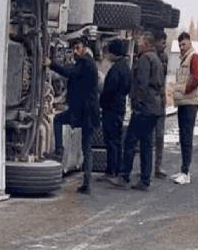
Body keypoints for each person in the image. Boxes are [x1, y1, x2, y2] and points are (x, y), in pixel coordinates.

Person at [108, 32, 164, 191]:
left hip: (144, 108)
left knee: (130, 141)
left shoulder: (145, 59)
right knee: (146, 144)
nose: (138, 44)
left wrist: (137, 105)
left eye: (140, 42)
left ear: (146, 44)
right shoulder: (157, 59)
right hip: (155, 107)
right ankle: (145, 180)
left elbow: (142, 84)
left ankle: (124, 176)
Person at [47, 37, 100, 194]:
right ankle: (87, 183)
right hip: (86, 112)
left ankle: (59, 151)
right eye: (74, 48)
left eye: (78, 48)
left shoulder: (86, 63)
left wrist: (51, 64)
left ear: (85, 48)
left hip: (84, 112)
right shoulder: (86, 63)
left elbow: (70, 72)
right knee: (87, 147)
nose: (75, 52)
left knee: (58, 120)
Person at [98, 39, 131, 180]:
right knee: (117, 140)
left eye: (109, 51)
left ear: (114, 53)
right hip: (120, 106)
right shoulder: (125, 67)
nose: (107, 55)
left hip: (111, 108)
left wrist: (102, 102)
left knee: (110, 140)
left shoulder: (116, 69)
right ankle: (116, 169)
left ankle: (111, 171)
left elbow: (109, 90)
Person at [171, 32, 198, 185]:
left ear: (189, 43)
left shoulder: (194, 57)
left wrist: (183, 89)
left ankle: (186, 172)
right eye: (180, 45)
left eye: (184, 44)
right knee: (183, 137)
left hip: (189, 102)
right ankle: (183, 169)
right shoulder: (184, 58)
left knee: (187, 137)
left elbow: (196, 78)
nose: (182, 47)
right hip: (184, 102)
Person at [152, 30, 169, 178]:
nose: (164, 46)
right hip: (151, 101)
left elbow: (163, 80)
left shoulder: (164, 58)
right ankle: (148, 167)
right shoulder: (148, 57)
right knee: (148, 136)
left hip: (160, 100)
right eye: (162, 43)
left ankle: (158, 166)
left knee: (159, 135)